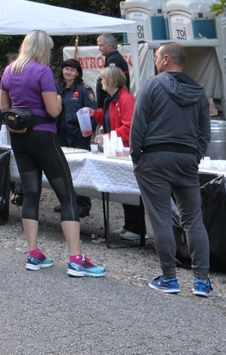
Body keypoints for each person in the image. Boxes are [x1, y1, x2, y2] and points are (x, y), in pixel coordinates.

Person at [0, 31, 105, 277]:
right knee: (67, 194)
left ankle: (33, 253)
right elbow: (54, 110)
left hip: (19, 137)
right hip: (43, 136)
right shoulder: (42, 71)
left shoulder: (9, 70)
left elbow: (5, 108)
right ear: (42, 49)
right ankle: (76, 258)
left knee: (31, 193)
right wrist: (57, 100)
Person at [130, 42, 212, 297]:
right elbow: (204, 133)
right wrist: (194, 156)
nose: (154, 61)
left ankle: (169, 277)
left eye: (156, 57)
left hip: (154, 158)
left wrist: (136, 157)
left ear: (166, 59)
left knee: (161, 218)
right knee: (193, 219)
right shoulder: (198, 91)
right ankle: (201, 281)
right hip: (186, 158)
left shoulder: (151, 86)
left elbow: (138, 124)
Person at [94, 65, 145, 240]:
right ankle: (129, 224)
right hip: (116, 149)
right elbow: (109, 120)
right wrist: (94, 114)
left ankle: (137, 228)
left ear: (111, 81)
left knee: (130, 187)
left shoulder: (125, 99)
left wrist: (108, 135)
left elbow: (130, 127)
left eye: (103, 79)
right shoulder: (110, 99)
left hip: (126, 149)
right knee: (123, 186)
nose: (100, 82)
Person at [54, 58, 96, 218]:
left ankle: (83, 204)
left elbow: (92, 112)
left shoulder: (84, 90)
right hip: (61, 133)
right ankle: (67, 201)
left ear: (78, 72)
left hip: (78, 134)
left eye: (72, 70)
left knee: (80, 169)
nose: (68, 72)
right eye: (66, 69)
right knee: (63, 168)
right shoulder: (60, 89)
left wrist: (85, 132)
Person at [95, 33, 131, 107]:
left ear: (110, 46)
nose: (99, 48)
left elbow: (114, 82)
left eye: (101, 45)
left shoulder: (113, 60)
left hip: (114, 102)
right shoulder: (114, 58)